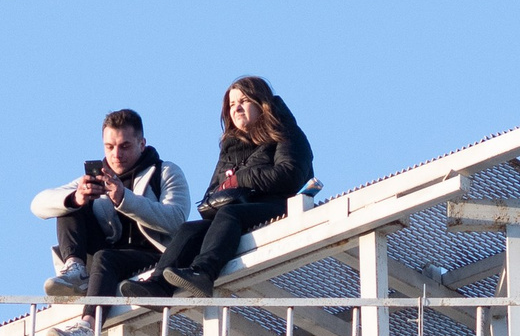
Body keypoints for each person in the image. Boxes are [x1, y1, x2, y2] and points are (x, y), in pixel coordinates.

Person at [121, 77, 313, 301]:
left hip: (278, 205)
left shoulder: (287, 133)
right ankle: (158, 285)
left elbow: (290, 175)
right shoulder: (231, 147)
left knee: (230, 213)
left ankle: (203, 272)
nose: (236, 108)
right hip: (236, 212)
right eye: (232, 104)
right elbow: (214, 191)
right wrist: (215, 199)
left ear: (262, 103)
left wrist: (241, 179)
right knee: (190, 229)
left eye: (243, 101)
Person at [30, 112, 190, 301]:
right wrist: (76, 198)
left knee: (105, 257)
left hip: (153, 258)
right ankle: (75, 269)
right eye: (110, 147)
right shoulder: (96, 179)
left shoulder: (165, 171)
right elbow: (38, 204)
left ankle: (88, 318)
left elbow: (176, 219)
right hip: (104, 259)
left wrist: (124, 198)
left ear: (142, 144)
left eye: (125, 146)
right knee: (70, 204)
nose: (116, 154)